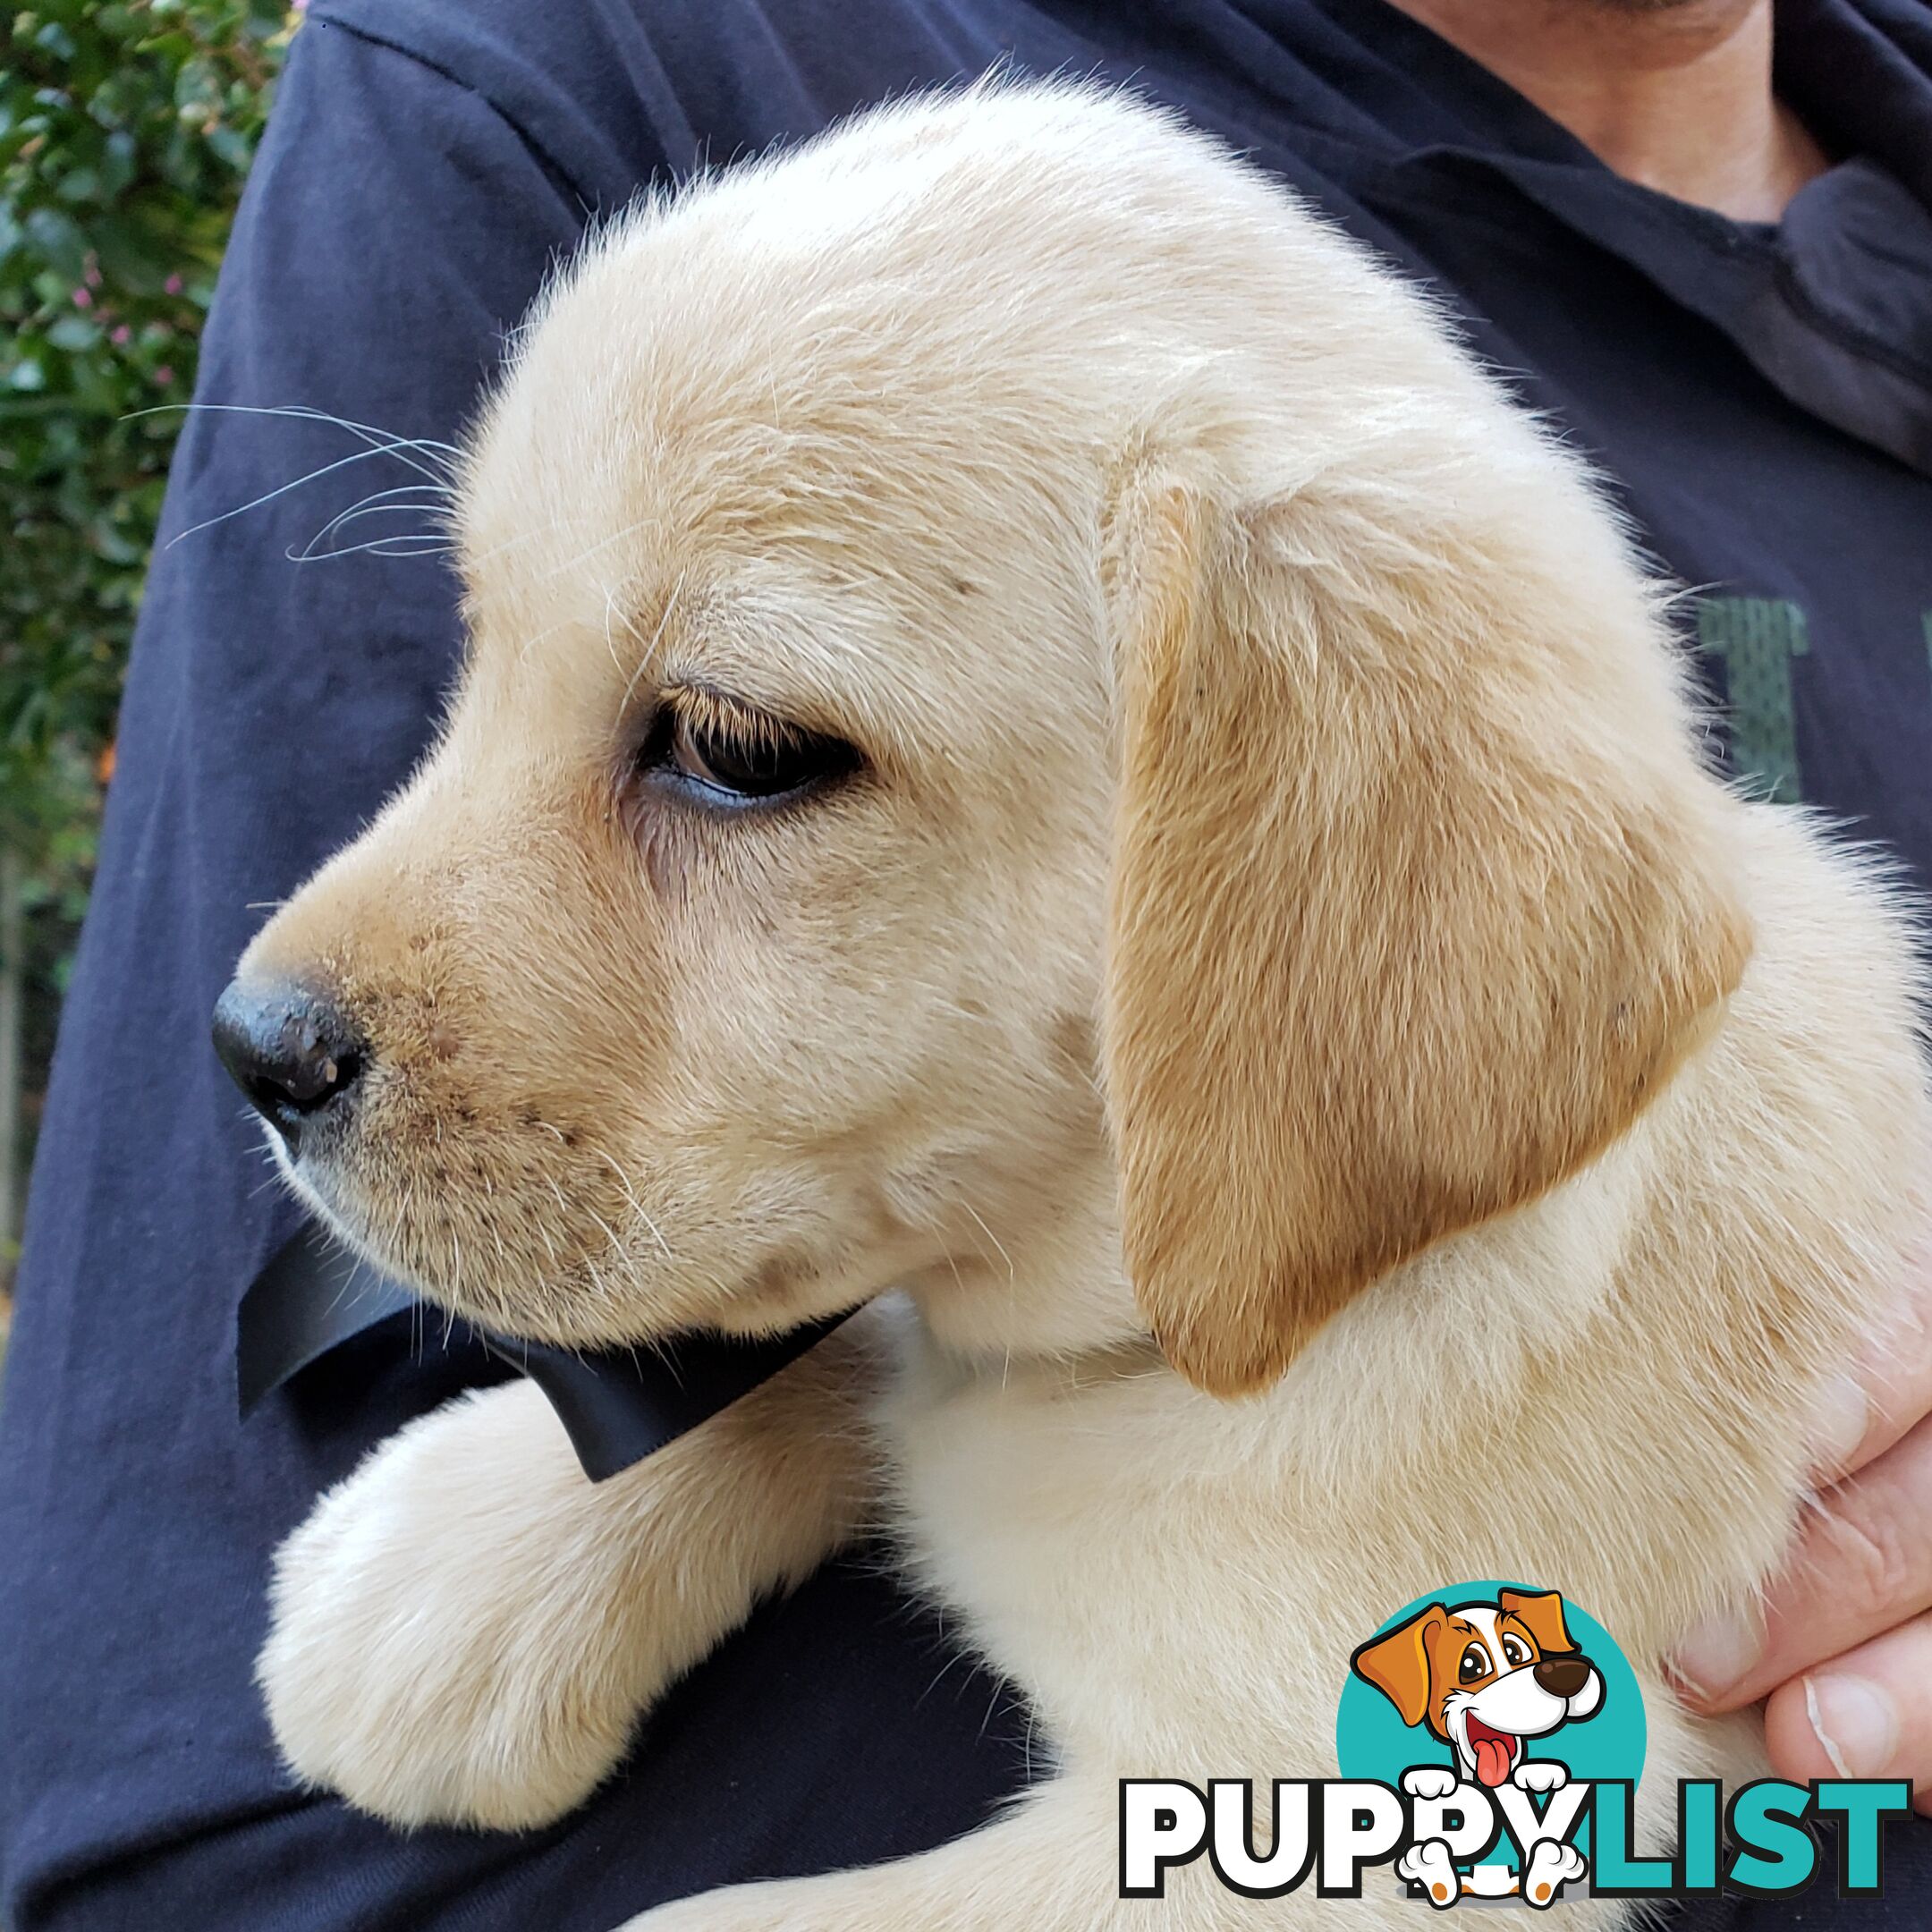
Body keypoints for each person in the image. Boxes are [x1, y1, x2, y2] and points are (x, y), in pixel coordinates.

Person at [2, 1, 1928, 1927]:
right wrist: (740, 1443)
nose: (303, 978)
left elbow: (1444, 1840)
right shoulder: (608, 64)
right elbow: (175, 1835)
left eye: (739, 749)